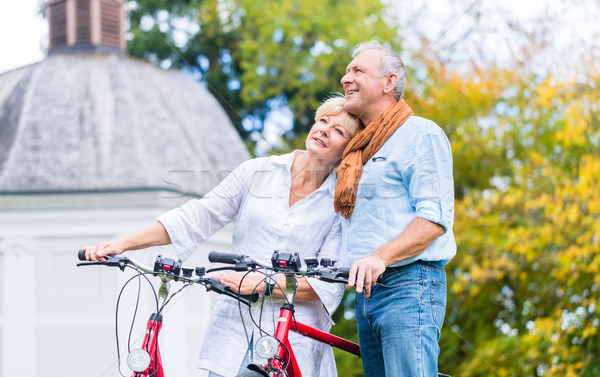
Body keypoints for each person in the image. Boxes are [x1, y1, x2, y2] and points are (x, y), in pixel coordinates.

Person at [83, 94, 362, 377]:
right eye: (323, 121)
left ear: (348, 150)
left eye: (339, 130)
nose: (325, 130)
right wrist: (123, 243)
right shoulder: (257, 172)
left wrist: (258, 283)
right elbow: (198, 217)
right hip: (232, 330)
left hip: (293, 340)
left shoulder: (341, 204)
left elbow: (326, 286)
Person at [334, 41, 456, 377]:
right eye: (346, 72)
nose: (346, 78)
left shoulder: (419, 134)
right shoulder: (358, 151)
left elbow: (434, 219)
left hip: (408, 285)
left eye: (358, 70)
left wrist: (380, 257)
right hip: (366, 293)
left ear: (389, 82)